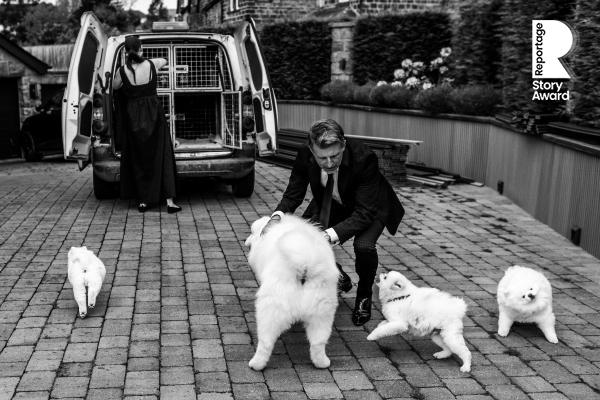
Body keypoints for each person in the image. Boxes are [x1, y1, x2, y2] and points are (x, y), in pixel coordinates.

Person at [268, 119, 404, 326]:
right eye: (322, 158)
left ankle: (364, 296)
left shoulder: (365, 157)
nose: (330, 163)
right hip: (333, 200)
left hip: (370, 206)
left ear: (343, 145)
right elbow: (293, 193)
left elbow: (364, 213)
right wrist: (277, 216)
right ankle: (340, 277)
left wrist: (327, 236)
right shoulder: (304, 154)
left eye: (335, 156)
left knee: (364, 246)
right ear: (311, 150)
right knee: (304, 242)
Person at [112, 35, 181, 214]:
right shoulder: (152, 64)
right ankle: (169, 202)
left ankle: (143, 201)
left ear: (125, 52)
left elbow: (115, 87)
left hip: (133, 118)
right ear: (141, 49)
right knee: (162, 155)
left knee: (139, 158)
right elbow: (164, 60)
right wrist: (143, 57)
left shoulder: (121, 71)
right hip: (154, 115)